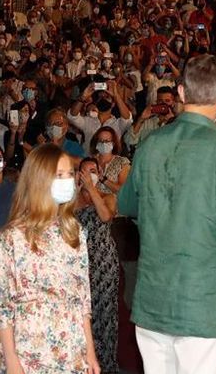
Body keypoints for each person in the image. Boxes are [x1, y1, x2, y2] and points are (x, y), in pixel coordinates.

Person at [119, 55, 216, 373]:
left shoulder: (150, 145)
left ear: (181, 93)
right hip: (201, 303)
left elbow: (126, 205)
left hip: (153, 300)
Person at [0, 143, 101, 373]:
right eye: (59, 175)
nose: (68, 180)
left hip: (71, 348)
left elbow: (82, 299)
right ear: (39, 180)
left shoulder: (75, 232)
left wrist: (89, 351)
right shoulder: (13, 237)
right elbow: (3, 306)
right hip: (29, 350)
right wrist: (12, 360)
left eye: (70, 174)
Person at [76, 157, 119, 374]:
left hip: (104, 262)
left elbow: (105, 216)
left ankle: (106, 364)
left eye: (92, 171)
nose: (88, 175)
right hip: (79, 262)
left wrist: (92, 189)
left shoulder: (107, 197)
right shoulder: (72, 201)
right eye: (84, 172)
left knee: (105, 312)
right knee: (83, 312)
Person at [89, 126, 131, 196]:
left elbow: (124, 191)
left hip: (113, 204)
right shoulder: (90, 161)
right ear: (96, 143)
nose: (103, 143)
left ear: (113, 143)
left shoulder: (122, 163)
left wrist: (103, 180)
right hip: (91, 203)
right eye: (100, 141)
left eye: (107, 141)